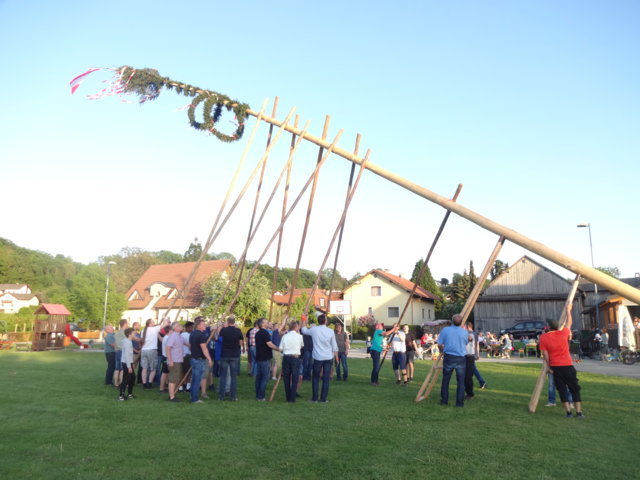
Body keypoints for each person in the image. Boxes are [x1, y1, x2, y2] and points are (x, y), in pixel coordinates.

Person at [539, 306, 584, 418]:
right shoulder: (563, 333)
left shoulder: (543, 338)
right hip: (568, 366)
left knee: (562, 389)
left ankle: (568, 413)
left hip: (556, 367)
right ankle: (579, 413)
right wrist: (568, 310)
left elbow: (545, 355)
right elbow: (569, 322)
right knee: (574, 389)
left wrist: (549, 367)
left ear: (548, 327)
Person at [301, 314, 339, 403]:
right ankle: (323, 398)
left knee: (315, 378)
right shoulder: (330, 331)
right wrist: (336, 356)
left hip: (318, 357)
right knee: (326, 378)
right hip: (328, 357)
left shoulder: (314, 330)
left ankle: (315, 398)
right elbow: (334, 346)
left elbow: (304, 330)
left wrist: (303, 320)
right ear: (325, 321)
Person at [438, 315, 468, 407]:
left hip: (449, 357)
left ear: (451, 321)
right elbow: (465, 343)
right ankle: (459, 403)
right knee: (461, 382)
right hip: (461, 358)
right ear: (461, 322)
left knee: (446, 380)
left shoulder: (445, 330)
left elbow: (439, 344)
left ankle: (444, 401)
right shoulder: (464, 332)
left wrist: (442, 352)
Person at [218, 315, 244, 401]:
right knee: (233, 377)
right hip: (234, 354)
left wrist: (222, 325)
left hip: (225, 354)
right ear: (234, 322)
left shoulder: (224, 330)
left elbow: (218, 333)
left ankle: (221, 396)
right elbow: (240, 342)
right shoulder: (238, 331)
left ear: (228, 322)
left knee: (223, 376)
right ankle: (233, 396)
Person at [254, 318, 280, 401]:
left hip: (259, 357)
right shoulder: (265, 333)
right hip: (265, 358)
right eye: (266, 322)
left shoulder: (257, 333)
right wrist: (278, 349)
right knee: (265, 377)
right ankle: (261, 396)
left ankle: (258, 394)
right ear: (262, 324)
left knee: (259, 377)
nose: (268, 323)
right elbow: (269, 344)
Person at [279, 320, 304, 403]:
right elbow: (301, 346)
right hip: (295, 357)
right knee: (295, 377)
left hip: (286, 357)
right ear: (296, 327)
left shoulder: (285, 336)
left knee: (286, 378)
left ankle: (288, 396)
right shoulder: (299, 336)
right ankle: (292, 398)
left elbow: (280, 349)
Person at [189, 318, 213, 404]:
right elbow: (204, 348)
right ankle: (194, 398)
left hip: (193, 358)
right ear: (198, 326)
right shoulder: (202, 335)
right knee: (197, 379)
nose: (205, 326)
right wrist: (209, 359)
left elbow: (190, 345)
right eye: (203, 325)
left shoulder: (192, 334)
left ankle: (192, 395)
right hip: (199, 359)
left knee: (194, 378)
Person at [166, 322, 188, 402]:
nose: (181, 326)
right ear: (175, 328)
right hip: (174, 360)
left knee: (176, 378)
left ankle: (173, 394)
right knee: (173, 378)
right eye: (178, 325)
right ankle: (171, 397)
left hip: (178, 360)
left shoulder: (180, 336)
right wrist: (170, 360)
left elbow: (187, 344)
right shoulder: (173, 336)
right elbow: (168, 348)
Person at [140, 319, 161, 389]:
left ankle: (144, 383)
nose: (154, 323)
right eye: (153, 322)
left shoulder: (143, 330)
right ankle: (149, 383)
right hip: (152, 349)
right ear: (149, 324)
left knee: (144, 368)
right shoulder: (154, 329)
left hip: (144, 350)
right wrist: (164, 318)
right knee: (153, 368)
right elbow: (165, 325)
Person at [118, 327, 136, 401]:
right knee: (126, 379)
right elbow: (126, 355)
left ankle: (129, 394)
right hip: (126, 363)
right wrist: (129, 366)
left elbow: (129, 354)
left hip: (128, 363)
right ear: (129, 334)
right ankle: (121, 396)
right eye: (133, 333)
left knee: (132, 378)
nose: (135, 334)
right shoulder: (127, 342)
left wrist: (132, 363)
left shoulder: (127, 341)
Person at [464, 323, 480, 400]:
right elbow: (477, 345)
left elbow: (476, 344)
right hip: (468, 355)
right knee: (467, 375)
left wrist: (476, 354)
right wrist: (477, 354)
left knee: (468, 375)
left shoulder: (472, 334)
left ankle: (469, 393)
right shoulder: (474, 334)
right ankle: (466, 392)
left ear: (467, 327)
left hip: (469, 355)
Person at [114, 319, 128, 387]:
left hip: (117, 351)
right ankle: (122, 383)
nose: (128, 324)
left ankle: (116, 383)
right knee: (123, 369)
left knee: (117, 369)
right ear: (125, 324)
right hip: (123, 351)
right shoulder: (125, 332)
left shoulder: (116, 333)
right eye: (127, 323)